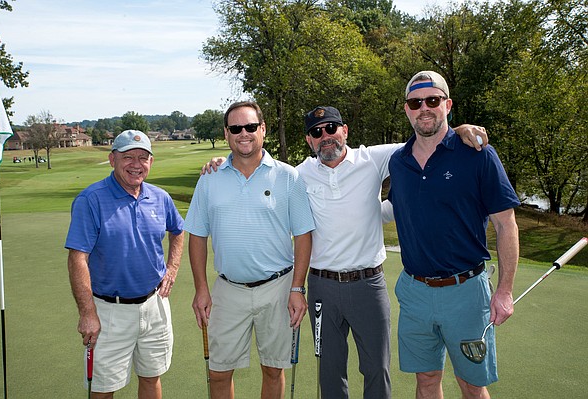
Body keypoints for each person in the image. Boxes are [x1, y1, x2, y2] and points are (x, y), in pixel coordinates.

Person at [203, 105, 487, 398]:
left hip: (369, 285)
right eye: (316, 132)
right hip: (322, 288)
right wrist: (221, 161)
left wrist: (458, 131)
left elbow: (424, 142)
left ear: (345, 130)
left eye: (331, 128)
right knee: (330, 370)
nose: (325, 136)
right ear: (309, 141)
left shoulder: (374, 158)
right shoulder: (298, 175)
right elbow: (254, 173)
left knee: (377, 368)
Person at [388, 71, 520, 399]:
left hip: (465, 291)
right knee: (427, 379)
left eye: (433, 101)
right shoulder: (397, 161)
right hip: (415, 292)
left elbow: (506, 225)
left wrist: (504, 291)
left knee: (472, 385)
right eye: (416, 103)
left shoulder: (477, 153)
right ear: (407, 109)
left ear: (447, 104)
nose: (424, 108)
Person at [185, 101, 315, 399]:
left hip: (278, 287)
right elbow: (196, 236)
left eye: (250, 127)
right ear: (227, 134)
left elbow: (304, 235)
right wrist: (201, 288)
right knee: (219, 373)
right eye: (236, 128)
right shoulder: (210, 178)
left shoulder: (287, 176)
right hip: (228, 290)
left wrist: (297, 288)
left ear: (263, 130)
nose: (244, 133)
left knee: (273, 369)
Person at [65, 130, 185, 399]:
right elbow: (77, 258)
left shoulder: (159, 197)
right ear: (112, 159)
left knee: (151, 378)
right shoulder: (91, 199)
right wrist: (87, 312)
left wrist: (172, 268)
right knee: (103, 389)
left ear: (151, 162)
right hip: (109, 311)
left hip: (155, 306)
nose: (136, 163)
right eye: (128, 156)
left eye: (143, 157)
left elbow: (178, 230)